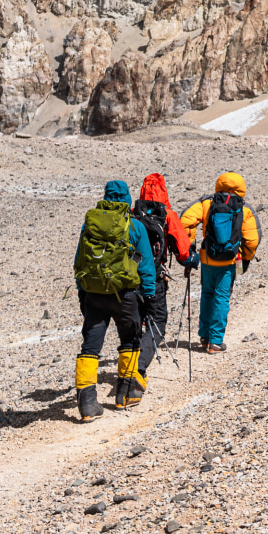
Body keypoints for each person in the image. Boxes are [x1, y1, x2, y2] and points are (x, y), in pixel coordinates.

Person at [73, 180, 156, 422]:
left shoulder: (89, 224)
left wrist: (82, 292)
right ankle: (126, 394)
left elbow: (80, 261)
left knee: (90, 346)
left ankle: (87, 404)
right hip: (126, 295)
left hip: (94, 294)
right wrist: (149, 297)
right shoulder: (135, 225)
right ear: (128, 200)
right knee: (130, 340)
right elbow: (147, 267)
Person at [180, 172, 260, 353]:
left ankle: (205, 337)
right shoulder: (244, 208)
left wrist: (190, 246)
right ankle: (216, 342)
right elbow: (252, 239)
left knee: (207, 294)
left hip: (208, 259)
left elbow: (185, 221)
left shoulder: (207, 203)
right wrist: (245, 257)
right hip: (229, 261)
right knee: (222, 297)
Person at [134, 172, 199, 381]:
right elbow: (183, 253)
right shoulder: (168, 215)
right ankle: (138, 370)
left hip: (130, 279)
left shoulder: (134, 213)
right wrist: (193, 260)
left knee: (135, 322)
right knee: (158, 321)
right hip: (155, 279)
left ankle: (129, 362)